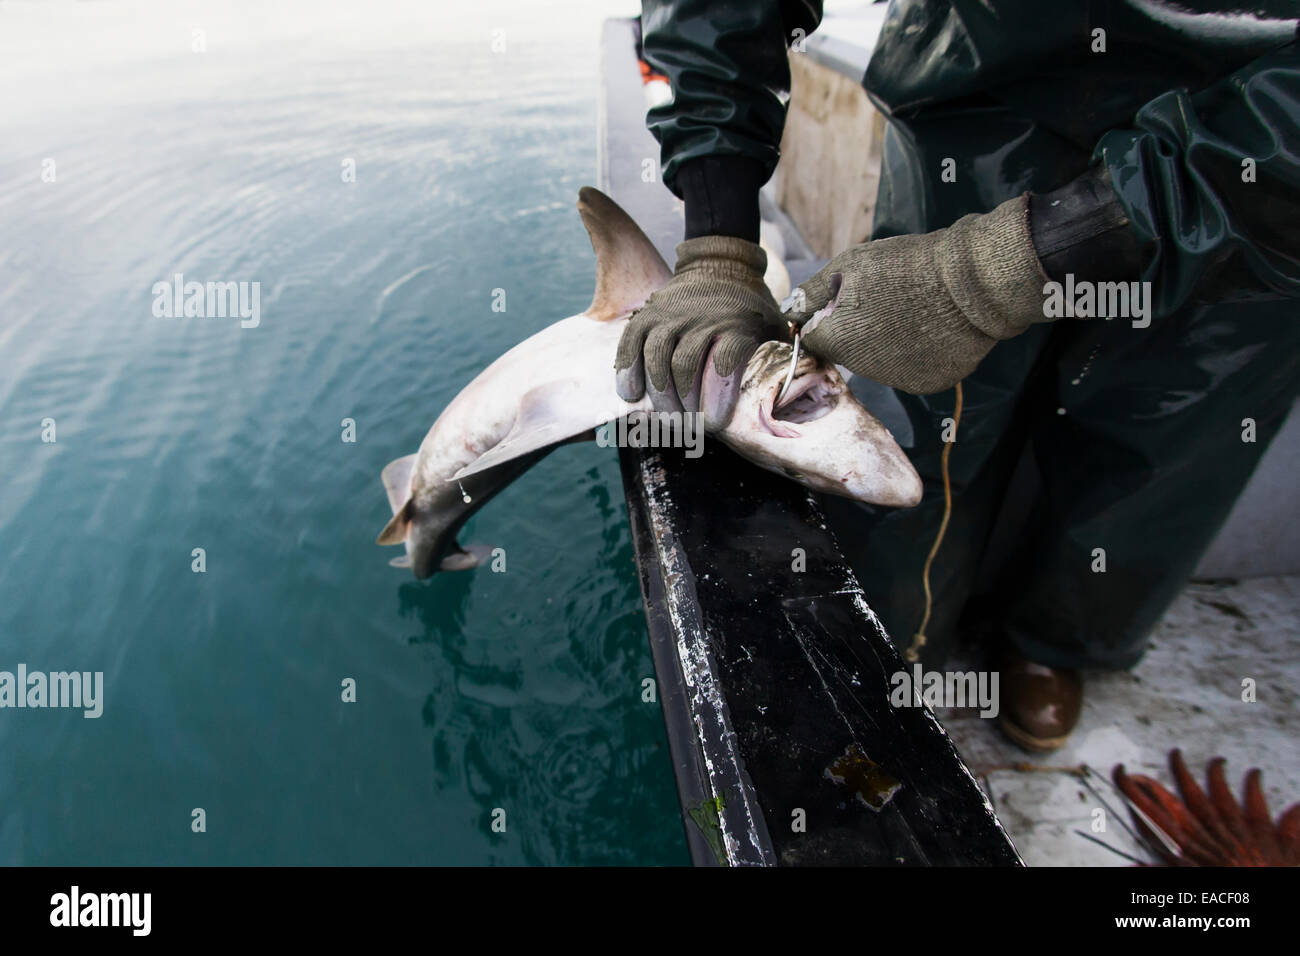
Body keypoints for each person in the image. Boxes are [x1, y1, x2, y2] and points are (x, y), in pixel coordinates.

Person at [615, 0, 1300, 751]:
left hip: (1258, 151)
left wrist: (994, 272)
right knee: (937, 414)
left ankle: (1055, 644)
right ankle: (905, 638)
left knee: (1167, 424)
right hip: (991, 90)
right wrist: (717, 238)